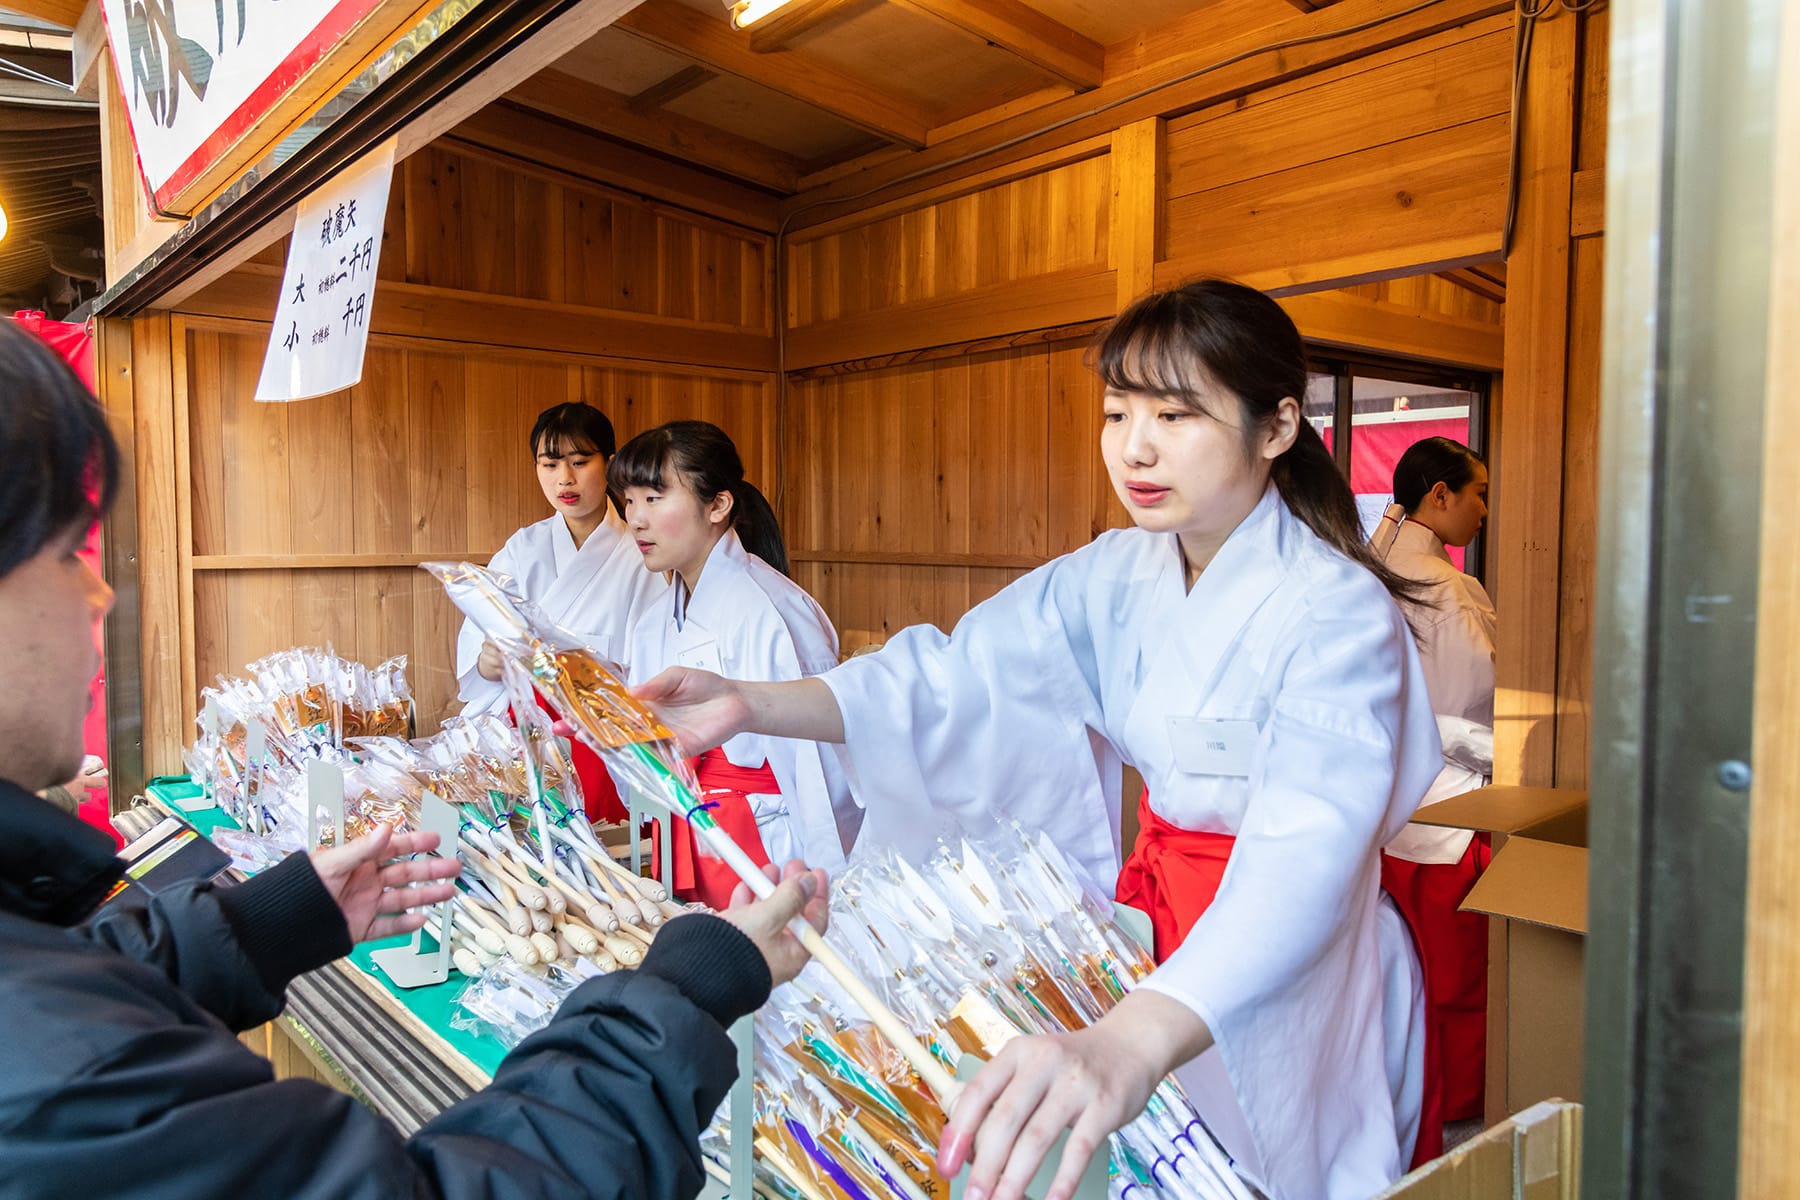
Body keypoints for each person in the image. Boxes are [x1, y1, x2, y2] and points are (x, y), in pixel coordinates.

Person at [631, 282, 1445, 1200]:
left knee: (1264, 1165)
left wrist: (1132, 1038)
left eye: (1175, 414)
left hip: (1285, 951)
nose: (1134, 446)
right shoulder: (1116, 571)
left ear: (1277, 426)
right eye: (1116, 411)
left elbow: (1306, 855)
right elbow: (956, 677)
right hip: (1155, 933)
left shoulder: (1335, 610)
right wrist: (749, 701)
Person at [0, 320, 829, 1199]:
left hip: (741, 803)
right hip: (645, 775)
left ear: (717, 506)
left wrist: (265, 922)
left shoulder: (750, 607)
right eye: (67, 554)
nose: (100, 589)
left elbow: (800, 767)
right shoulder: (57, 1069)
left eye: (631, 487)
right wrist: (682, 998)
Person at [610, 420, 858, 908]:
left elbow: (819, 764)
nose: (635, 518)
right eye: (630, 499)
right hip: (690, 830)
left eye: (654, 499)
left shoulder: (774, 609)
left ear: (718, 506)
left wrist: (828, 882)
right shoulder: (654, 619)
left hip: (770, 845)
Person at [455, 401, 668, 822]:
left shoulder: (642, 554)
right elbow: (479, 650)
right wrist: (487, 662)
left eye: (580, 461)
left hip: (604, 741)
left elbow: (657, 663)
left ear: (609, 461)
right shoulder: (522, 550)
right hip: (525, 730)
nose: (564, 479)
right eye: (549, 464)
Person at [1371, 436, 1498, 1125]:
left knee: (1404, 976)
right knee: (1455, 980)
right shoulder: (1447, 587)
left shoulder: (1372, 567)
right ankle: (1456, 1110)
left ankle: (1410, 1103)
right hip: (1446, 808)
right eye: (1477, 492)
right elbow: (1468, 712)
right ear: (1440, 494)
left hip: (1382, 813)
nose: (1484, 509)